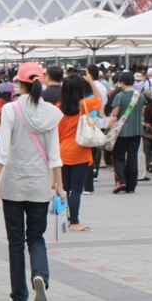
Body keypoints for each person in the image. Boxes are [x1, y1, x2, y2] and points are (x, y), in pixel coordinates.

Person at [0, 62, 65, 301]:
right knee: (36, 238)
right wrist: (60, 187)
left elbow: (3, 153)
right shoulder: (51, 112)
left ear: (18, 84)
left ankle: (19, 295)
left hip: (12, 184)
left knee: (15, 242)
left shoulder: (10, 110)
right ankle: (39, 275)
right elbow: (55, 155)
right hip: (40, 185)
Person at [57, 72, 102, 231]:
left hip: (62, 151)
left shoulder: (58, 108)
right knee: (76, 190)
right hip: (80, 151)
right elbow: (100, 100)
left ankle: (62, 220)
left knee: (64, 189)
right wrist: (91, 82)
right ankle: (74, 222)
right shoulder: (84, 104)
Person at [109, 72, 147, 194]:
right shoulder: (140, 96)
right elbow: (142, 112)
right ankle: (131, 186)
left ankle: (121, 181)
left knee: (118, 156)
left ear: (122, 82)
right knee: (132, 157)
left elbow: (115, 114)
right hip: (137, 130)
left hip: (122, 132)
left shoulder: (120, 96)